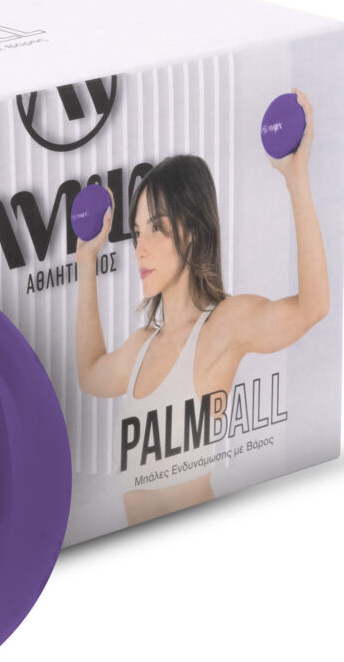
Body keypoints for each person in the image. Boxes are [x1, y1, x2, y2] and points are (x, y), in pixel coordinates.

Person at [74, 89, 329, 525]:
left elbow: (313, 306)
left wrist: (295, 177)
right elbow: (89, 373)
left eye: (157, 228)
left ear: (191, 231)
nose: (141, 248)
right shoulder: (140, 347)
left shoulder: (222, 326)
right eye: (136, 233)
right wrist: (86, 260)